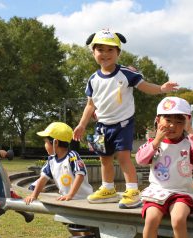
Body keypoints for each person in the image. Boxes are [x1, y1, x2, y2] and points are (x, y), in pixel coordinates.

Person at [73, 29, 179, 209]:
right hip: (101, 126)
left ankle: (132, 191)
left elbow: (145, 87)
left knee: (123, 156)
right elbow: (90, 105)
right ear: (93, 53)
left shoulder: (126, 73)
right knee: (104, 158)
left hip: (123, 123)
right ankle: (108, 189)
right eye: (100, 50)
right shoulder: (92, 80)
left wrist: (161, 88)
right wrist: (82, 125)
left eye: (110, 50)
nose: (105, 54)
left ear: (118, 52)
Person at [136, 97, 193, 238]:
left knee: (177, 219)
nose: (172, 126)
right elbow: (141, 159)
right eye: (168, 120)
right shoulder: (153, 143)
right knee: (151, 218)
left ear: (187, 123)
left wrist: (191, 131)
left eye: (179, 122)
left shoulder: (188, 144)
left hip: (181, 193)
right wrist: (156, 141)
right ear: (158, 120)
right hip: (157, 191)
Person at [24, 122, 94, 238]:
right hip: (68, 202)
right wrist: (34, 195)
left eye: (46, 142)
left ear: (55, 142)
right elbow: (42, 179)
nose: (45, 145)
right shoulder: (51, 161)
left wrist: (70, 195)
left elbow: (80, 175)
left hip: (83, 200)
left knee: (86, 230)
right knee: (74, 228)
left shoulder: (72, 156)